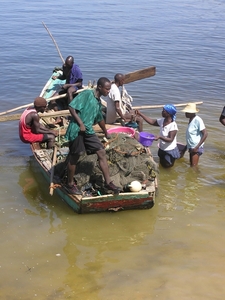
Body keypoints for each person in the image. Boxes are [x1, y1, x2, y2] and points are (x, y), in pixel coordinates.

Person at [64, 77, 121, 195]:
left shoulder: (98, 102)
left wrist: (106, 132)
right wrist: (80, 123)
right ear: (99, 87)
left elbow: (99, 118)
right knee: (75, 156)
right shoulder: (87, 94)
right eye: (107, 89)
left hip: (88, 130)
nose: (108, 91)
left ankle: (108, 182)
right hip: (77, 129)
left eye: (109, 89)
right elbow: (71, 107)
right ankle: (69, 184)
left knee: (101, 152)